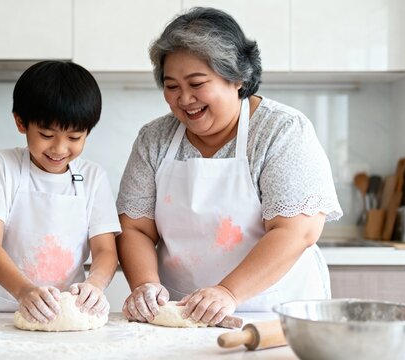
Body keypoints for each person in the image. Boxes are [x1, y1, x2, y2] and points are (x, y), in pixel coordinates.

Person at [116, 7, 343, 326]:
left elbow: (297, 231)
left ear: (237, 77)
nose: (184, 99)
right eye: (171, 86)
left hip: (272, 315)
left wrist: (228, 292)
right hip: (180, 315)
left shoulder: (281, 130)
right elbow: (136, 228)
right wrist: (145, 286)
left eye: (196, 83)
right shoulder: (154, 138)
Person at [0, 61, 120, 323]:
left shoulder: (93, 177)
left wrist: (95, 284)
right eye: (47, 134)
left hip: (69, 313)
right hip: (5, 310)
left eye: (74, 138)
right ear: (21, 122)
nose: (60, 149)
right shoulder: (3, 165)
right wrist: (24, 291)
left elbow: (105, 250)